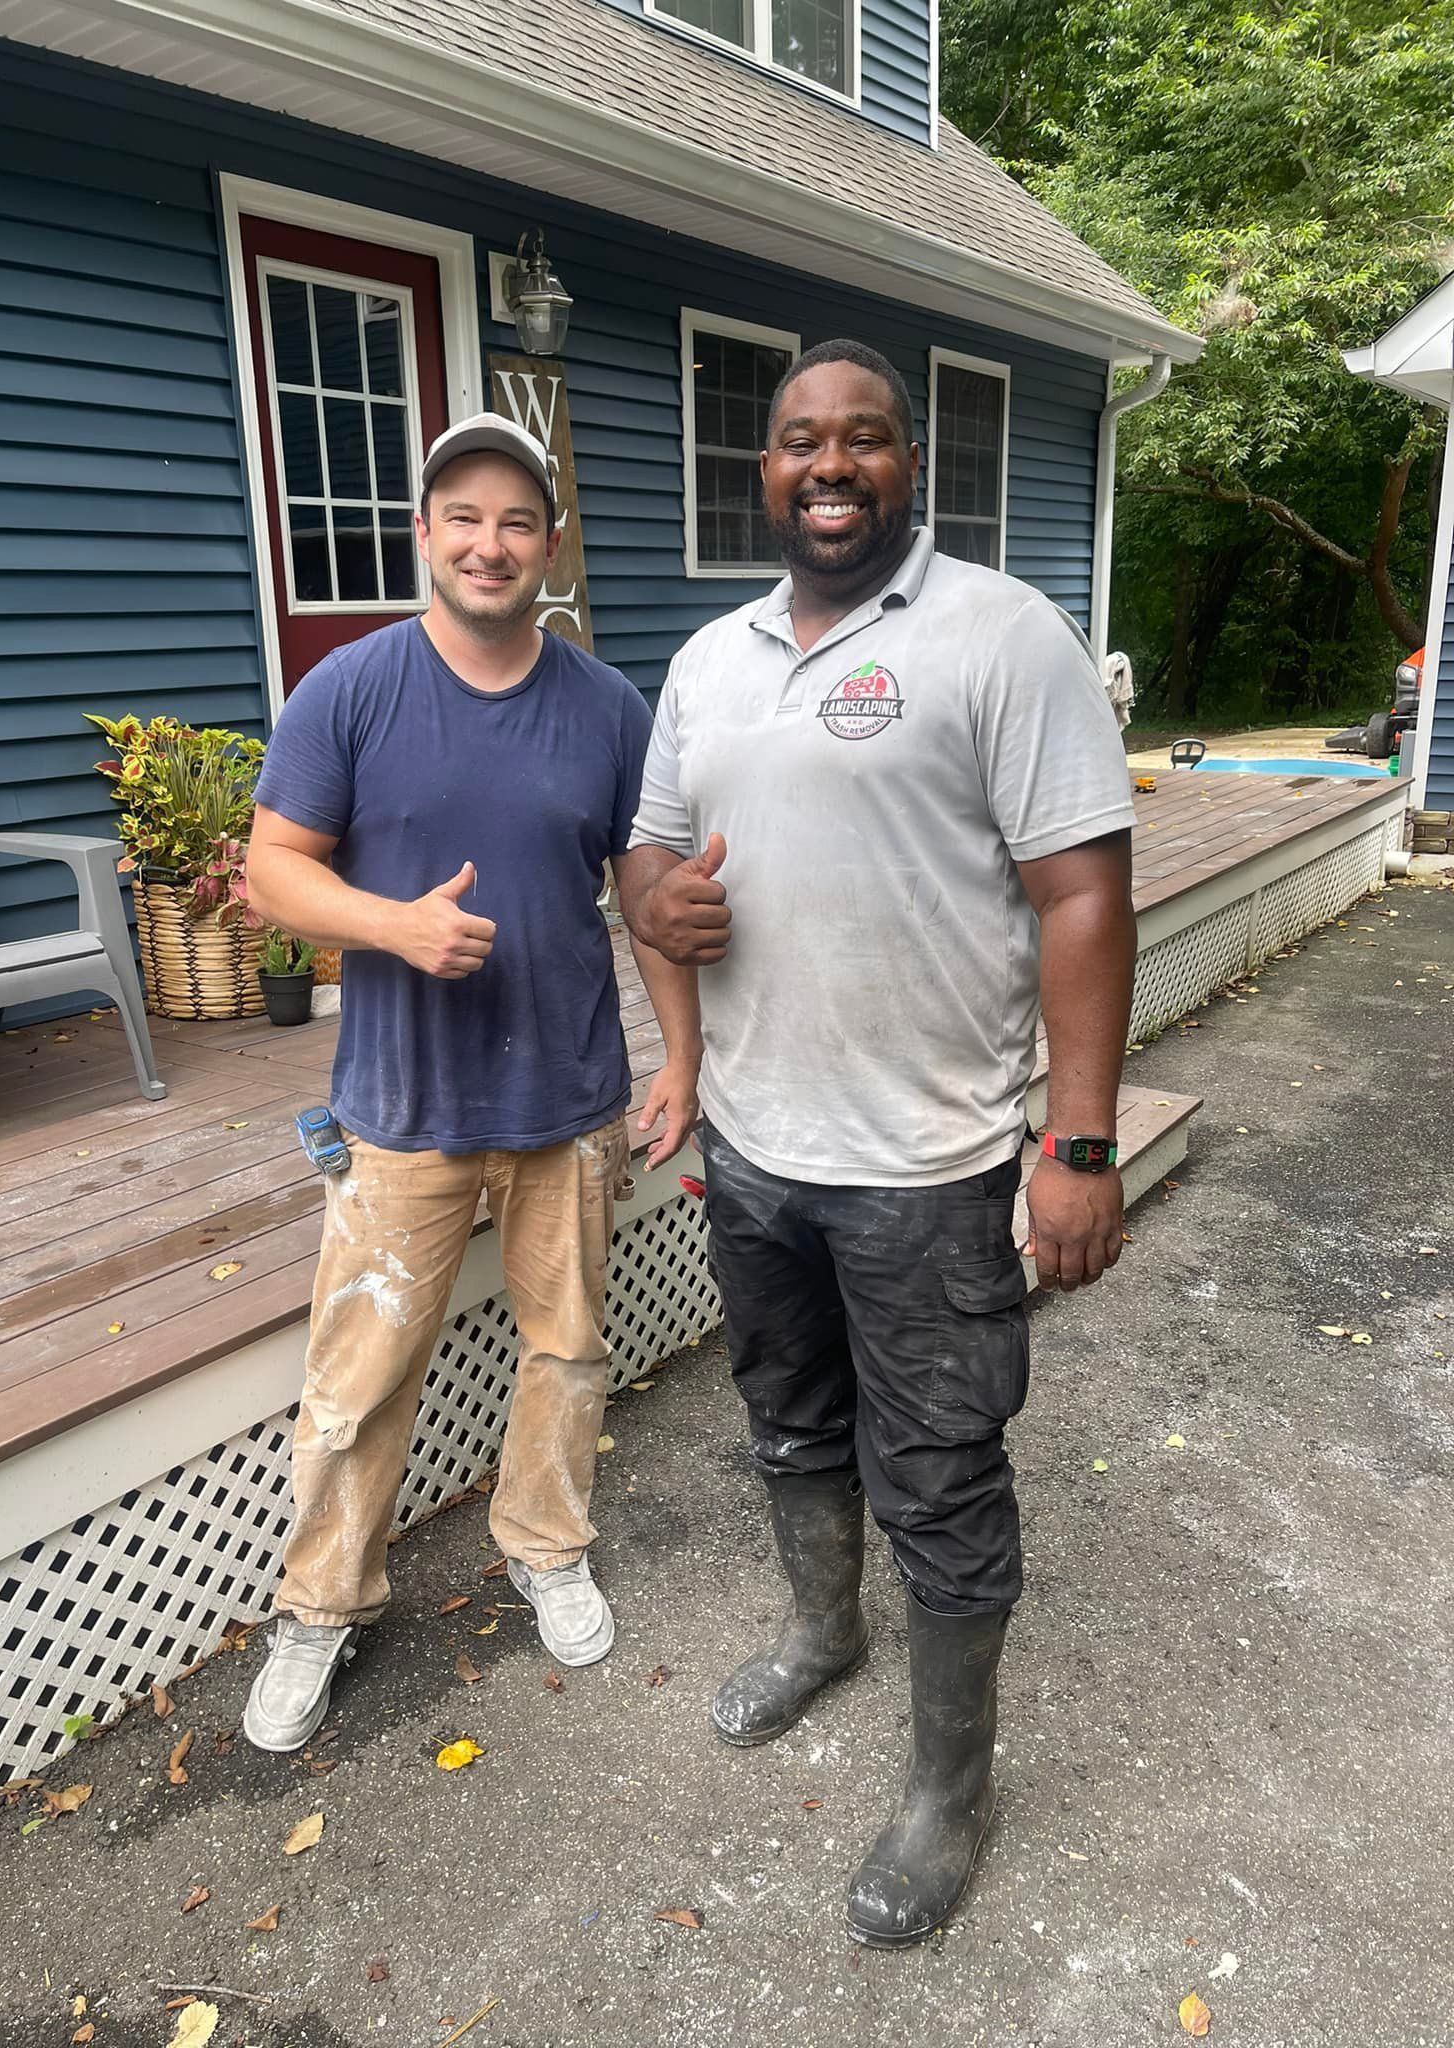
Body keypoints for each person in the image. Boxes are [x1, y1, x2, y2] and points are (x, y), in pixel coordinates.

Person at [620, 340, 1138, 1947]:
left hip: (931, 1165)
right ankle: (823, 1632)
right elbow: (643, 863)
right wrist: (658, 907)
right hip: (760, 1152)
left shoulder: (1000, 632)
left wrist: (1081, 1140)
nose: (827, 465)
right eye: (795, 443)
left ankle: (946, 1787)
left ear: (910, 464)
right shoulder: (709, 658)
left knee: (943, 1478)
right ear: (760, 471)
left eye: (861, 440)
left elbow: (1085, 895)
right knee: (786, 1418)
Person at [240, 414, 699, 1754]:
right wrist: (392, 926)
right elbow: (274, 870)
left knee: (565, 1350)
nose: (488, 543)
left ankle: (547, 1547)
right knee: (360, 1379)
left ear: (547, 546)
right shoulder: (351, 690)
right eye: (463, 518)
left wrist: (686, 1052)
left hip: (570, 1101)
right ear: (423, 536)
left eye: (515, 521)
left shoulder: (608, 708)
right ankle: (320, 1605)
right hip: (402, 1108)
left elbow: (647, 894)